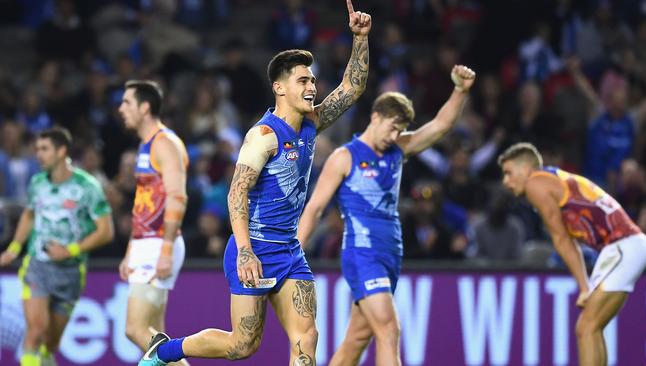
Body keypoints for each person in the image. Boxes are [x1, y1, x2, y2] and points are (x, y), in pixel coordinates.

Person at [139, 1, 371, 365]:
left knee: (307, 337)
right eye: (303, 80)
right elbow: (237, 192)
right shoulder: (263, 136)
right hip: (255, 250)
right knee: (242, 346)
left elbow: (352, 88)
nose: (312, 86)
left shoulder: (312, 123)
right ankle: (165, 350)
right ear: (280, 87)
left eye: (312, 79)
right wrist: (246, 251)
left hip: (290, 251)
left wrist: (360, 38)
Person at [298, 65, 476, 365]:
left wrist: (460, 91)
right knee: (389, 330)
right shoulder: (345, 157)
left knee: (357, 339)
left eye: (400, 130)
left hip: (391, 255)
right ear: (375, 117)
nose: (395, 135)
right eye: (392, 126)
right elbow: (315, 207)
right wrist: (296, 251)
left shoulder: (397, 149)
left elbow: (441, 125)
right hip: (362, 253)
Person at [498, 142, 646, 366]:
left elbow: (561, 239)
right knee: (590, 328)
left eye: (509, 173)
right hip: (621, 248)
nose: (505, 181)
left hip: (621, 246)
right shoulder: (552, 179)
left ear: (525, 169)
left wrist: (584, 287)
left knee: (586, 327)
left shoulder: (535, 183)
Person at [0, 127, 114, 366]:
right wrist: (14, 248)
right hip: (37, 266)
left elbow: (106, 232)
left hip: (71, 272)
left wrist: (70, 250)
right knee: (35, 332)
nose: (38, 155)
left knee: (50, 344)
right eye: (37, 150)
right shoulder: (37, 183)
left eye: (44, 149)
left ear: (61, 151)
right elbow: (29, 215)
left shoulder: (87, 186)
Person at [117, 80, 190, 365]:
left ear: (145, 107)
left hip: (160, 241)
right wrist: (130, 250)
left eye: (127, 102)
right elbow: (143, 204)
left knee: (134, 329)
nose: (121, 108)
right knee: (156, 335)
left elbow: (177, 196)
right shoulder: (145, 146)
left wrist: (167, 248)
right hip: (146, 243)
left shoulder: (165, 143)